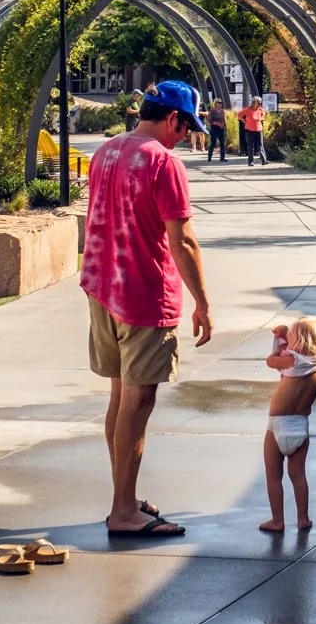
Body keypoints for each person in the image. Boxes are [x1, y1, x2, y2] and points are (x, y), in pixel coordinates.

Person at [80, 78, 215, 538]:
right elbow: (183, 241)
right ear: (172, 118)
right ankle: (123, 512)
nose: (184, 135)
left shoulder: (107, 151)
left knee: (120, 400)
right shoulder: (163, 162)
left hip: (103, 288)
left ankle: (124, 496)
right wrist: (202, 302)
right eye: (185, 125)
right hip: (142, 293)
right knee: (138, 403)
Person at [260, 315, 316, 533]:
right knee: (298, 475)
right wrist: (284, 335)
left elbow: (271, 362)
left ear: (298, 342)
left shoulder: (291, 361)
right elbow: (293, 364)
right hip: (300, 425)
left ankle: (277, 520)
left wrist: (279, 344)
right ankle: (303, 517)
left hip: (278, 425)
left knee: (274, 475)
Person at [237, 98, 264, 165]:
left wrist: (261, 118)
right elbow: (239, 114)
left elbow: (263, 113)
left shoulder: (260, 109)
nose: (260, 105)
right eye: (259, 103)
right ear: (254, 103)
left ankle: (264, 160)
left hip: (259, 129)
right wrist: (244, 121)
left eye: (260, 103)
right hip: (249, 130)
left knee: (260, 145)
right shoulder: (248, 109)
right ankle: (250, 161)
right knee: (250, 146)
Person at [206, 96, 229, 163]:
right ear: (215, 103)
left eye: (221, 103)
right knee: (213, 143)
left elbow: (224, 119)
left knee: (222, 143)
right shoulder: (212, 111)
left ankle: (222, 158)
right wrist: (217, 123)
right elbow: (210, 121)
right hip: (214, 128)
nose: (220, 104)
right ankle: (209, 156)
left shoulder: (222, 111)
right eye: (218, 102)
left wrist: (225, 126)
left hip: (221, 129)